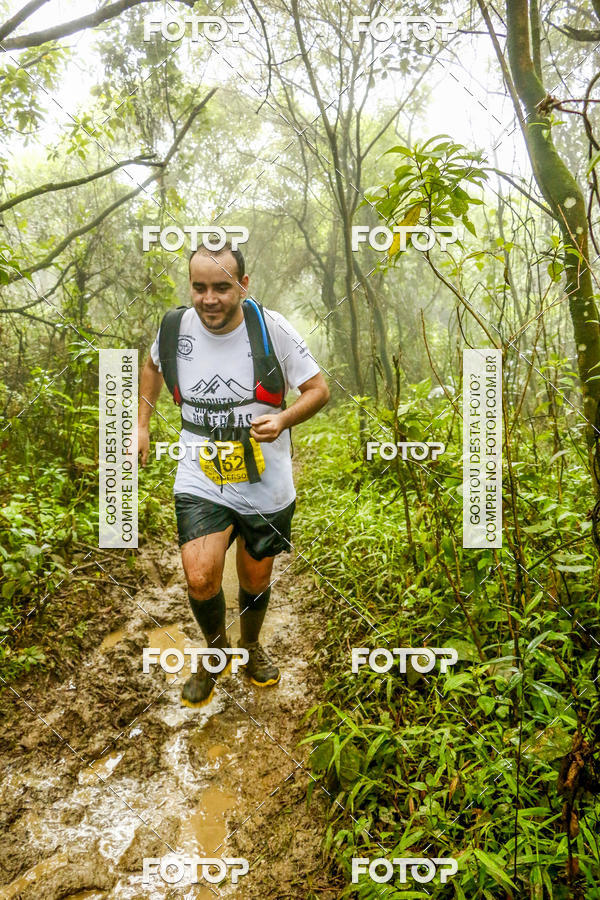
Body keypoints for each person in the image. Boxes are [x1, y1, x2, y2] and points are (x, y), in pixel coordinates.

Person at [138, 241, 329, 707]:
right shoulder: (173, 327)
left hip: (265, 481)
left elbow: (318, 389)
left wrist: (283, 419)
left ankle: (251, 644)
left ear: (243, 285)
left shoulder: (273, 329)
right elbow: (151, 366)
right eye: (199, 287)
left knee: (253, 578)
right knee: (201, 577)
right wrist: (141, 424)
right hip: (201, 475)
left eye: (222, 287)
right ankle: (216, 652)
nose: (209, 299)